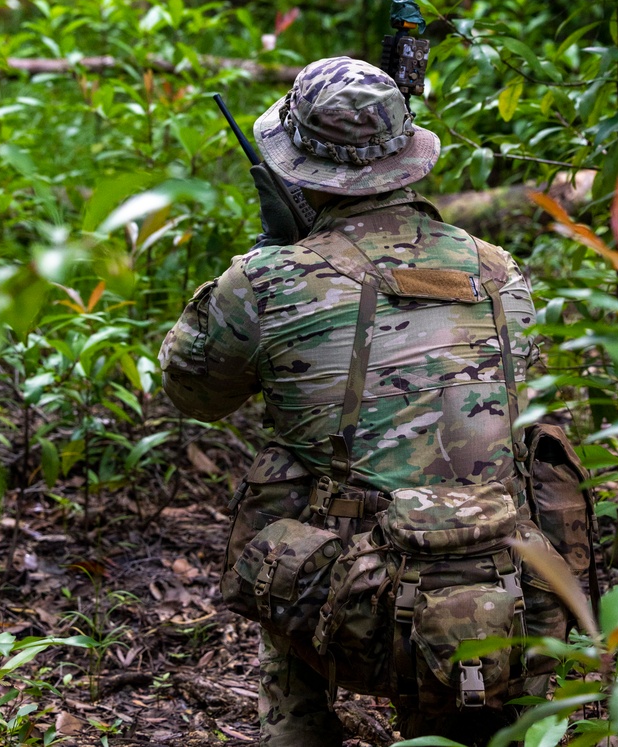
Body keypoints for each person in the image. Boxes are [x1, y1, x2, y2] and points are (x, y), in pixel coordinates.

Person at [159, 56, 572, 747]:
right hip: (505, 600)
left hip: (348, 607)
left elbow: (191, 391)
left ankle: (298, 725)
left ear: (295, 166)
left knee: (290, 486)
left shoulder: (268, 281)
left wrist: (271, 257)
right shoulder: (503, 272)